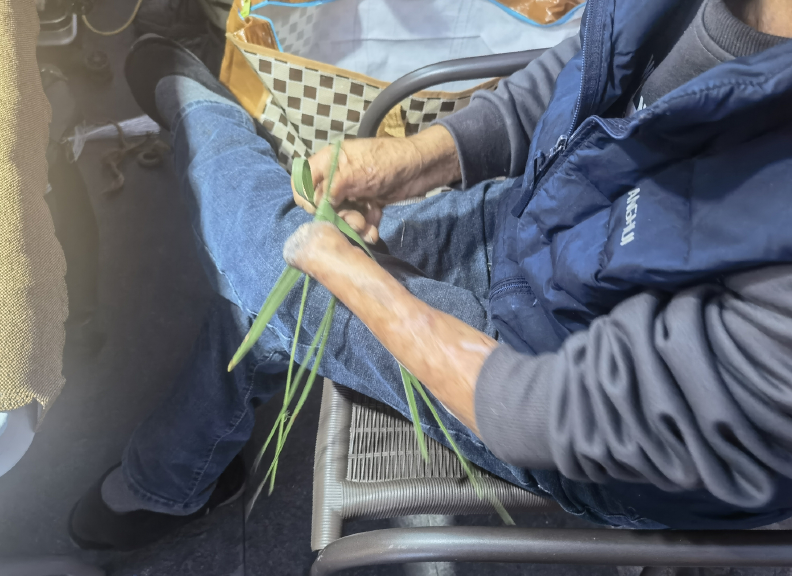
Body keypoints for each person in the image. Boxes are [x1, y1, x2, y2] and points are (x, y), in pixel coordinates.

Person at [70, 0, 792, 550]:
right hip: (549, 221)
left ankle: (199, 112)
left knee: (266, 267)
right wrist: (418, 159)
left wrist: (359, 283)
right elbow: (593, 63)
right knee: (262, 284)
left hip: (571, 392)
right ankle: (171, 475)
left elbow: (557, 411)